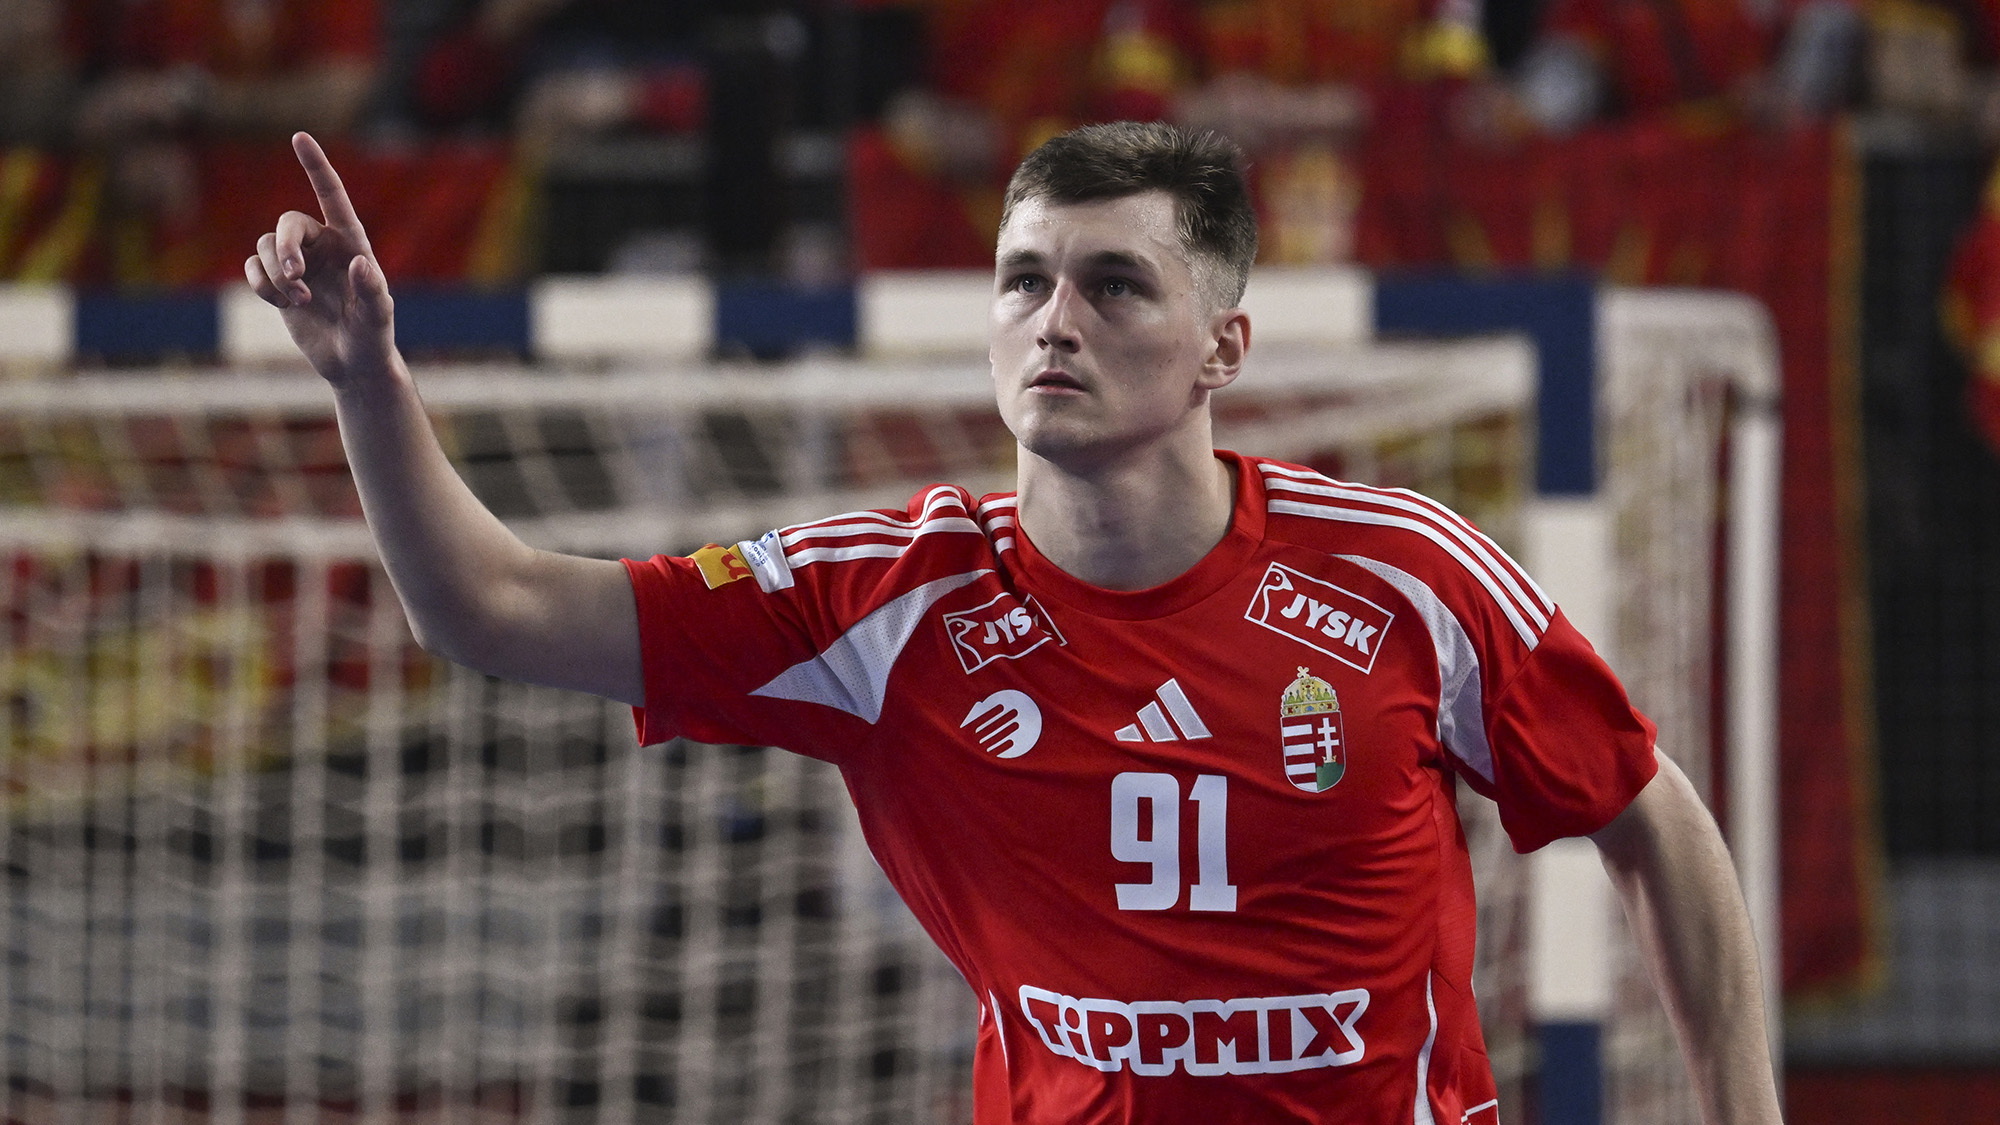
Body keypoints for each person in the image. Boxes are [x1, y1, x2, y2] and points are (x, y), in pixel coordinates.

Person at [246, 121, 1783, 1123]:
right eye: (1024, 281)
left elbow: (1653, 816)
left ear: (1221, 348)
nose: (1055, 320)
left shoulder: (1405, 574)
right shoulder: (886, 597)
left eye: (1115, 286)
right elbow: (495, 606)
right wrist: (367, 381)